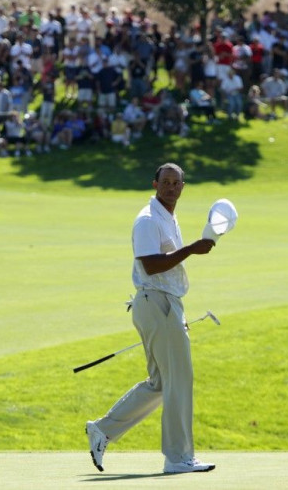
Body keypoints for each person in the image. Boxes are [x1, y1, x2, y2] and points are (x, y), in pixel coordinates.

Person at [85, 162, 216, 474]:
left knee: (161, 383)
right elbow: (151, 265)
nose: (171, 187)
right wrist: (192, 250)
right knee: (179, 380)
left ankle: (103, 430)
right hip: (157, 303)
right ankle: (178, 457)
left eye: (176, 183)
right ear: (155, 184)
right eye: (166, 182)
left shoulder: (167, 216)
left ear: (182, 187)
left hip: (162, 304)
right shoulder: (147, 220)